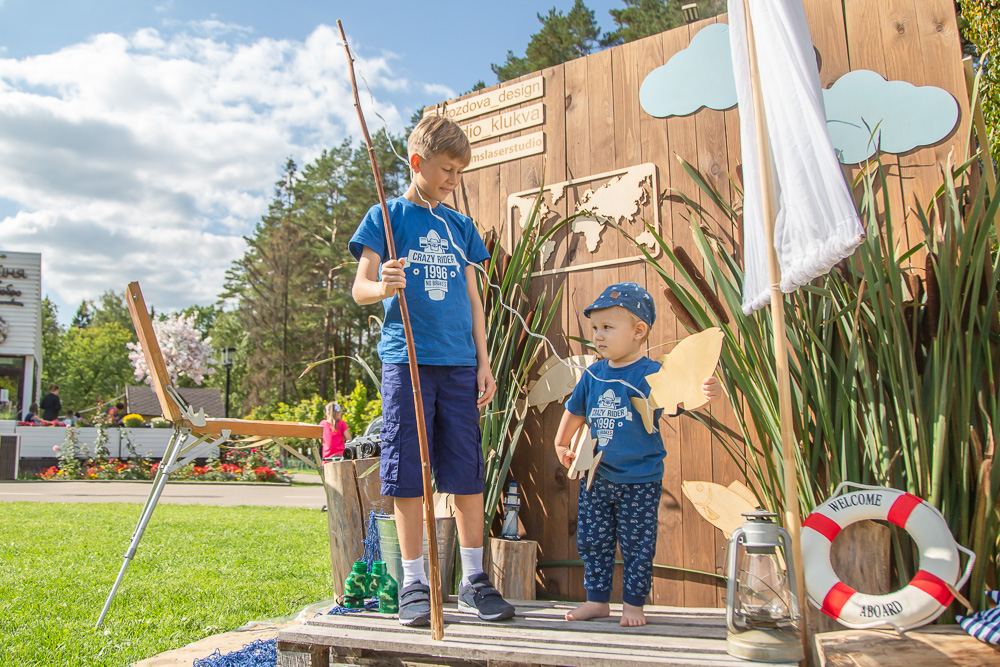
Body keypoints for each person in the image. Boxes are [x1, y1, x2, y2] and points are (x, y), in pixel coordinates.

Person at [349, 115, 512, 627]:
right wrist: (384, 286)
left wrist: (484, 362)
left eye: (459, 172)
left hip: (461, 365)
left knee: (466, 471)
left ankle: (473, 580)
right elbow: (360, 288)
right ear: (417, 163)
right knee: (408, 474)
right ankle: (415, 582)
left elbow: (474, 298)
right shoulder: (387, 215)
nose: (453, 180)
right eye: (446, 169)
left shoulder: (460, 227)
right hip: (407, 363)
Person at [553, 282, 722, 628]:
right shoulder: (592, 374)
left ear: (638, 331)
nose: (598, 336)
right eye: (595, 328)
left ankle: (633, 604)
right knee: (592, 540)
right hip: (595, 476)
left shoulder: (652, 374)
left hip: (640, 479)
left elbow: (678, 401)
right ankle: (597, 600)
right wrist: (561, 442)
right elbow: (575, 410)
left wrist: (705, 389)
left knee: (637, 544)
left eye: (607, 328)